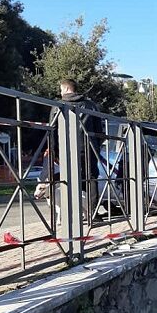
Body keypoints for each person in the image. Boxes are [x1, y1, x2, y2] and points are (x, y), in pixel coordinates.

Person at [44, 79, 104, 219]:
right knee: (91, 178)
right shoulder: (90, 106)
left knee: (69, 179)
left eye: (60, 90)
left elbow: (52, 130)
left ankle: (71, 214)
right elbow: (99, 130)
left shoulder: (58, 105)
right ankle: (93, 213)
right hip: (89, 148)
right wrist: (97, 145)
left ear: (65, 89)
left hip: (67, 149)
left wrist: (53, 150)